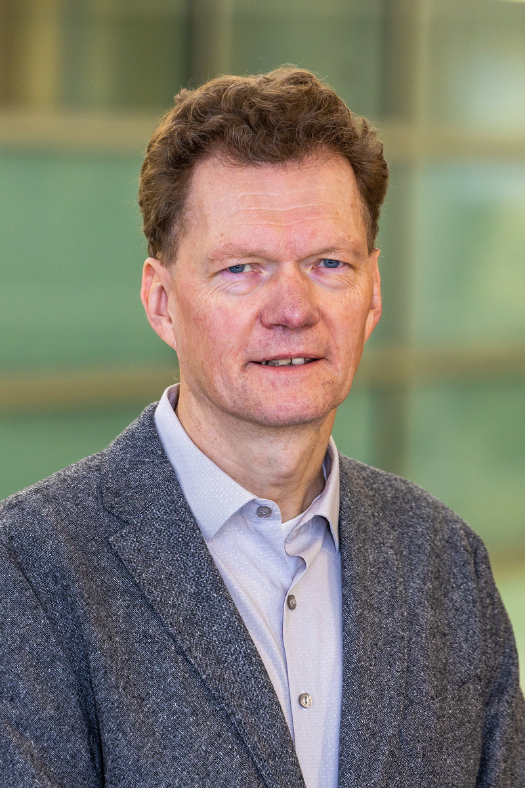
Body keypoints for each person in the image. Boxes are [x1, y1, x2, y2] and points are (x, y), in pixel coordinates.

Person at [0, 68, 523, 788]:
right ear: (161, 302)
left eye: (328, 263)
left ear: (372, 293)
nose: (292, 309)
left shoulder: (444, 562)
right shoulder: (30, 572)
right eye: (243, 268)